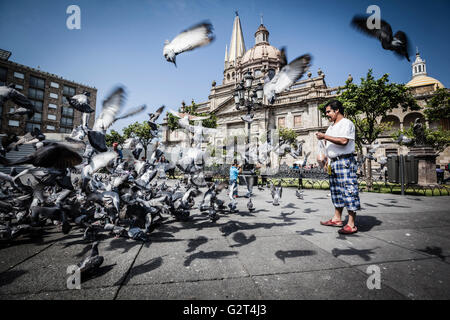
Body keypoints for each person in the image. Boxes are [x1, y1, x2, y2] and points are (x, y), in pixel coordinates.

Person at [316, 100, 360, 234]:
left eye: (329, 112)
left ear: (337, 111)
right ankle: (337, 218)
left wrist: (324, 136)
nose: (327, 115)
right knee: (336, 191)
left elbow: (343, 141)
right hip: (333, 162)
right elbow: (328, 146)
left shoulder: (346, 123)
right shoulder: (331, 127)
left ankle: (351, 224)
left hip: (344, 160)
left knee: (348, 190)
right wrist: (326, 161)